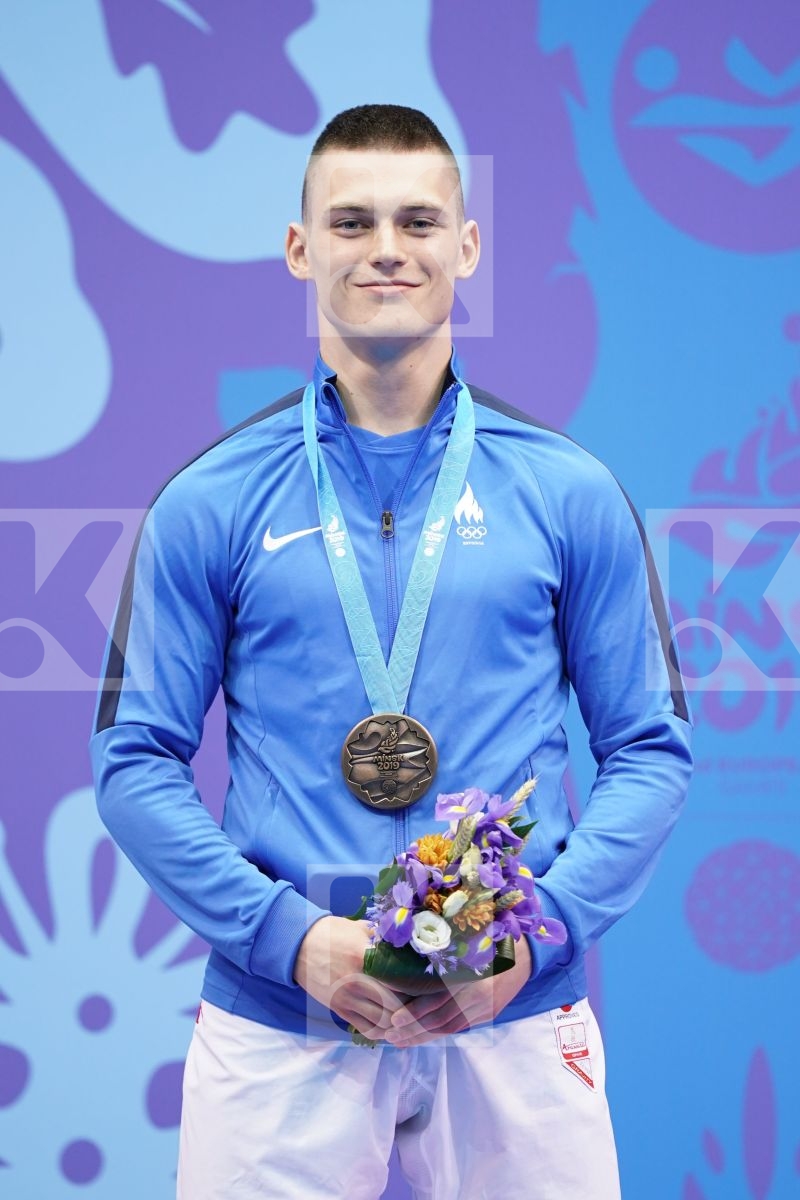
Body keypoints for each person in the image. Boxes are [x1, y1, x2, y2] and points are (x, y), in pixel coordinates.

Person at [90, 104, 693, 1199]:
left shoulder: (567, 491)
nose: (385, 249)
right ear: (299, 247)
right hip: (283, 1016)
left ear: (466, 246)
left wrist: (537, 936)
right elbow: (133, 764)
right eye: (351, 221)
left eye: (417, 221)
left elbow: (649, 751)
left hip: (512, 1011)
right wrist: (286, 940)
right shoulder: (210, 501)